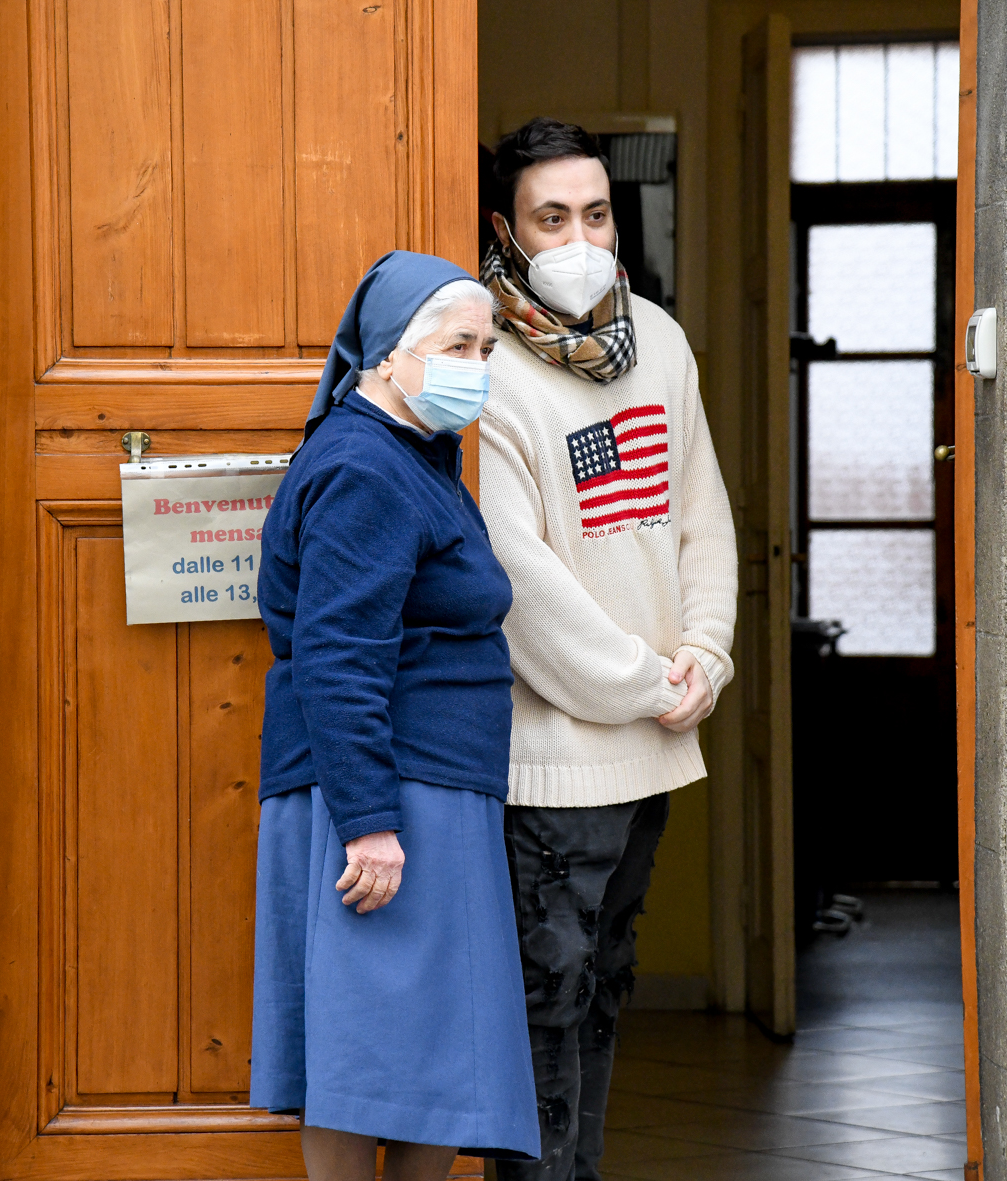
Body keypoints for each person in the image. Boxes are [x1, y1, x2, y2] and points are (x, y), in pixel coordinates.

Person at [477, 118, 739, 1181]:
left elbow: (700, 517)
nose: (579, 238)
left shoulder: (659, 342)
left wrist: (705, 655)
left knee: (603, 991)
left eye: (595, 213)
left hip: (653, 740)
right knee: (543, 1009)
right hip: (552, 757)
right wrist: (644, 681)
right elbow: (517, 579)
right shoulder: (484, 365)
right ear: (506, 231)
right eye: (552, 218)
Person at [251, 250, 541, 1180]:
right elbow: (338, 654)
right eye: (458, 345)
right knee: (367, 1055)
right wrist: (370, 822)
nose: (478, 365)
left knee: (428, 1054)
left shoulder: (411, 457)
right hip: (388, 795)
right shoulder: (366, 468)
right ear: (386, 355)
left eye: (487, 348)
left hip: (424, 787)